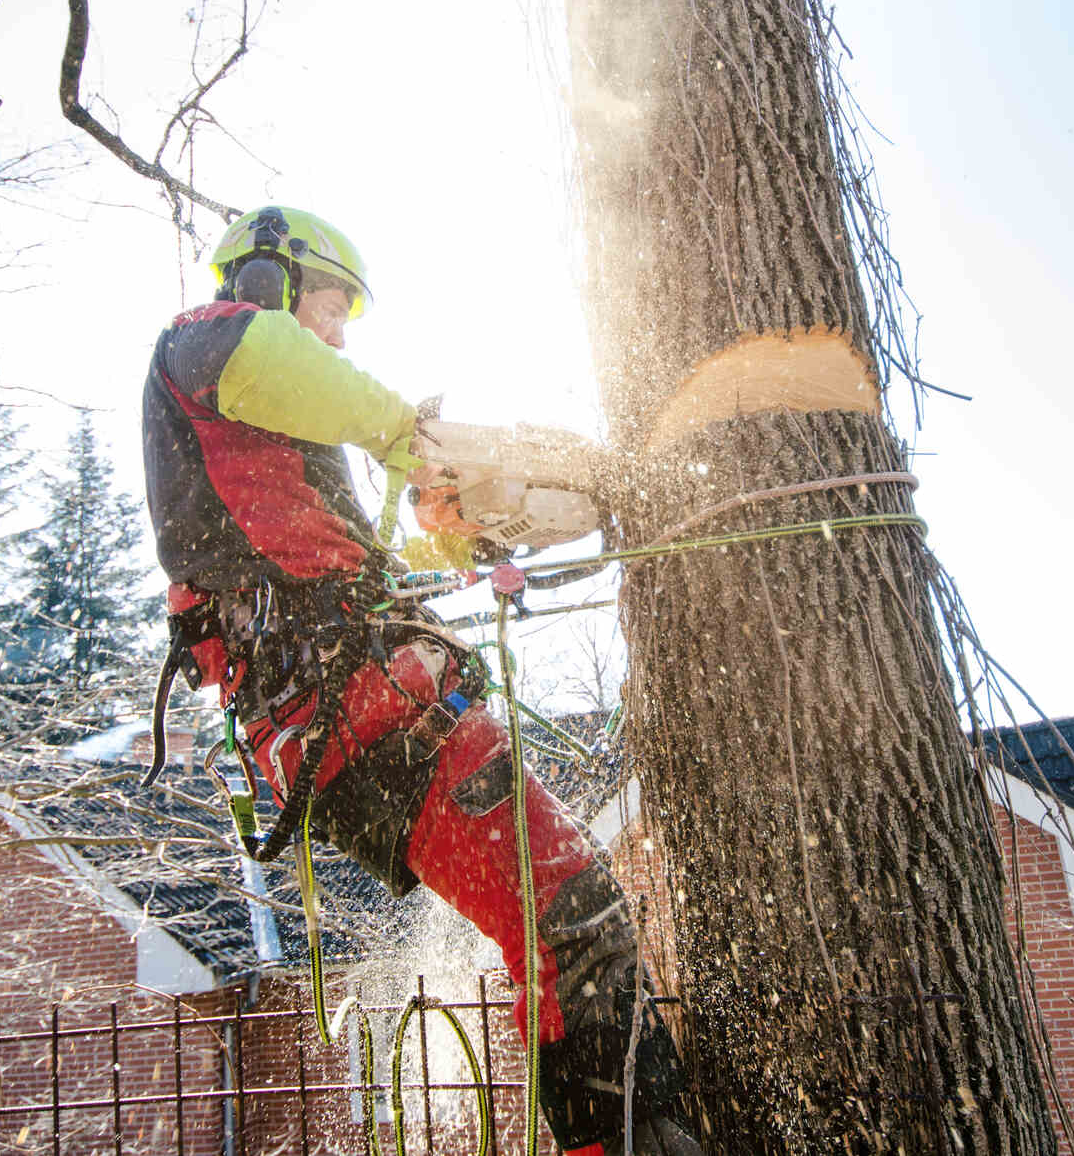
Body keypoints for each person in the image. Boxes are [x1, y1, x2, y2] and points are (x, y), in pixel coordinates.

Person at [140, 206, 703, 1156]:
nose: (340, 330)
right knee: (576, 924)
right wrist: (412, 435)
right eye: (330, 304)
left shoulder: (279, 450)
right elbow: (295, 371)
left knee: (562, 931)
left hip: (369, 712)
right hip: (357, 716)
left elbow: (355, 562)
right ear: (269, 280)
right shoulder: (206, 345)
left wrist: (463, 534)